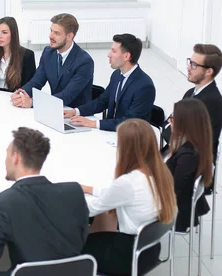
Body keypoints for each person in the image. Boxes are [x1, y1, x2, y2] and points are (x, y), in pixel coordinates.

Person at [0, 127, 89, 274]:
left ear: (16, 158)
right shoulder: (74, 192)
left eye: (7, 154)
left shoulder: (3, 203)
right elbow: (82, 238)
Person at [81, 119, 176, 275]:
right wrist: (90, 189)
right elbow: (117, 194)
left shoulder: (128, 182)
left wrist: (66, 197)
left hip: (127, 256)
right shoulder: (161, 172)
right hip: (150, 249)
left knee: (74, 245)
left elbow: (91, 209)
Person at [64, 34, 155, 131]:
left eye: (114, 51)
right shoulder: (117, 75)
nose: (109, 54)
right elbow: (102, 101)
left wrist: (94, 123)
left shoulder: (144, 86)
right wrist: (75, 112)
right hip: (112, 132)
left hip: (130, 138)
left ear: (126, 56)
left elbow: (129, 122)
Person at [163, 44, 222, 193]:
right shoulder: (191, 92)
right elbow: (168, 127)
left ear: (209, 71)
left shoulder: (212, 101)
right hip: (177, 154)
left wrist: (173, 128)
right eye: (190, 62)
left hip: (192, 166)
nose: (189, 67)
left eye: (194, 65)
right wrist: (173, 129)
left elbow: (183, 139)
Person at [13, 13, 94, 108]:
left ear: (69, 36)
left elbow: (67, 96)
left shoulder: (85, 62)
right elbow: (36, 82)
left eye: (56, 33)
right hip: (54, 110)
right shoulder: (48, 53)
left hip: (75, 115)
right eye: (51, 31)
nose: (50, 36)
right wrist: (20, 94)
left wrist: (33, 103)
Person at [165, 98, 212, 232]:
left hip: (175, 211)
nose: (169, 121)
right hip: (176, 201)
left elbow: (174, 189)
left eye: (172, 118)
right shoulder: (192, 145)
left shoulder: (188, 155)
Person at [0, 17, 36, 92]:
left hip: (15, 98)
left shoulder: (27, 55)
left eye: (4, 32)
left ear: (13, 34)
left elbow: (29, 87)